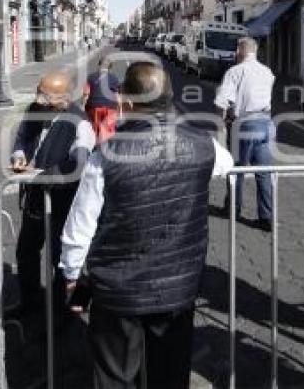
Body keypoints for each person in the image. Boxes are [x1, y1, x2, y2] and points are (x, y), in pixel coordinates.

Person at [60, 62, 233, 389]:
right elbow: (227, 164)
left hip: (118, 292)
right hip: (177, 288)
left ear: (124, 102)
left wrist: (71, 275)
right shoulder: (204, 145)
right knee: (169, 374)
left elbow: (80, 226)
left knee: (115, 376)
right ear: (170, 98)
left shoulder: (106, 155)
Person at [9, 70, 95, 317]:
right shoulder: (34, 110)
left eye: (46, 97)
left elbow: (77, 165)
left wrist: (40, 176)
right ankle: (30, 302)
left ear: (64, 99)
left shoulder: (81, 124)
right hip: (35, 198)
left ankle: (61, 311)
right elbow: (23, 138)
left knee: (60, 257)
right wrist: (19, 155)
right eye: (39, 93)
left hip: (62, 201)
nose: (39, 101)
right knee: (26, 251)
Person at [214, 37, 276, 231]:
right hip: (266, 123)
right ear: (255, 52)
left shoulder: (235, 71)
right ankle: (266, 217)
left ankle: (234, 209)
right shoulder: (267, 72)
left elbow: (221, 101)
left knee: (237, 169)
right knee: (264, 173)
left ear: (240, 51)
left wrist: (222, 122)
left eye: (236, 51)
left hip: (245, 124)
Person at [82, 57, 121, 143]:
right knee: (108, 130)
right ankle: (106, 147)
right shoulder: (114, 78)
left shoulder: (91, 77)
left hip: (93, 107)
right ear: (110, 67)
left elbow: (86, 94)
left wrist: (83, 108)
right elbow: (117, 95)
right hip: (110, 107)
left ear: (99, 65)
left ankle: (95, 146)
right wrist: (120, 111)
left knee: (95, 130)